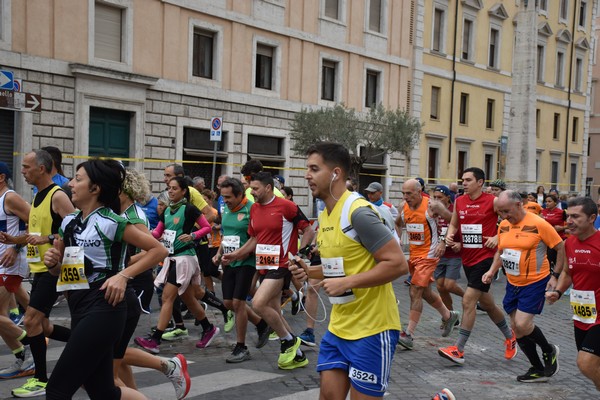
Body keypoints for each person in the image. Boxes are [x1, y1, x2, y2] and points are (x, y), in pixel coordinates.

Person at [41, 159, 167, 399]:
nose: (70, 184)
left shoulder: (112, 222)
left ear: (95, 188)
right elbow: (63, 272)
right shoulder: (69, 223)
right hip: (78, 304)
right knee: (102, 391)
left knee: (57, 390)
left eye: (78, 179)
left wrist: (122, 276)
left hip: (105, 308)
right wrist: (54, 264)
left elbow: (158, 250)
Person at [289, 141, 407, 399]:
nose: (307, 175)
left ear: (336, 173)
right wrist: (309, 271)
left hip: (372, 330)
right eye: (307, 168)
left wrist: (346, 283)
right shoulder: (326, 215)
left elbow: (398, 264)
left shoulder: (358, 212)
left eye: (314, 168)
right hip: (338, 328)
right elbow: (340, 266)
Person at [223, 172, 314, 370]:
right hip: (264, 265)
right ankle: (298, 355)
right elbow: (254, 239)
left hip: (282, 264)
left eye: (255, 189)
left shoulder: (286, 206)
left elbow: (308, 229)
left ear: (267, 188)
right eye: (250, 188)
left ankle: (288, 341)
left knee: (258, 303)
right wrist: (236, 255)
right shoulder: (254, 209)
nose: (252, 192)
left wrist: (300, 253)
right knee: (274, 312)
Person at [116, 169, 190, 400]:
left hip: (135, 282)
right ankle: (135, 394)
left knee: (111, 352)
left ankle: (167, 365)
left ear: (124, 190)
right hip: (128, 280)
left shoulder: (134, 216)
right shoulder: (123, 212)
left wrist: (124, 263)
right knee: (115, 353)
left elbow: (153, 249)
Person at [9, 150, 75, 398]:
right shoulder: (37, 197)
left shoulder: (57, 196)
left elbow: (76, 229)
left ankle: (40, 379)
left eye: (27, 167)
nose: (23, 171)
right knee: (44, 327)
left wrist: (47, 238)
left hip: (54, 269)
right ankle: (92, 346)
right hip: (39, 270)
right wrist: (15, 240)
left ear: (42, 169)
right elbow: (35, 234)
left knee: (31, 321)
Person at [438, 167, 517, 365]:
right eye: (462, 180)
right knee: (488, 304)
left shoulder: (493, 202)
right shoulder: (460, 201)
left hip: (486, 258)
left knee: (468, 301)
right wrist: (450, 235)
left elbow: (513, 222)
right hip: (467, 258)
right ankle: (510, 337)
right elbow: (455, 224)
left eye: (468, 180)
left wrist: (497, 236)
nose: (464, 183)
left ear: (480, 182)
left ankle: (459, 349)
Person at [482, 190, 562, 382]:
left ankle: (548, 349)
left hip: (535, 282)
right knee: (516, 329)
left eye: (506, 211)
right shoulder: (503, 225)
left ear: (519, 204)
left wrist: (556, 276)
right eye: (500, 212)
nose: (503, 216)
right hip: (513, 282)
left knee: (522, 324)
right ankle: (537, 368)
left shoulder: (539, 224)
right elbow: (502, 251)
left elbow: (561, 248)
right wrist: (492, 271)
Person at [134, 176, 221, 353]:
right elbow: (158, 233)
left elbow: (206, 227)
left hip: (185, 259)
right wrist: (140, 234)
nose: (171, 191)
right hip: (171, 258)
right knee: (189, 298)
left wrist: (193, 236)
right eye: (169, 189)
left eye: (174, 188)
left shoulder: (189, 209)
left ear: (183, 191)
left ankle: (155, 340)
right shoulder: (166, 211)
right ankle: (208, 328)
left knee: (167, 297)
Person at [396, 179, 460, 350]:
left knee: (414, 290)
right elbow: (397, 223)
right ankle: (449, 316)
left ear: (419, 191)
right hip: (415, 256)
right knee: (425, 293)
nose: (405, 197)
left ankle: (408, 334)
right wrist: (398, 242)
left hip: (429, 255)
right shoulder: (404, 207)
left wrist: (443, 241)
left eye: (409, 193)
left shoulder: (432, 206)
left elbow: (453, 222)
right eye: (403, 193)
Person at [212, 177, 271, 362]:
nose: (225, 200)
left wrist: (244, 253)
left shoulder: (252, 209)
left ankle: (241, 347)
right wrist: (219, 253)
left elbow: (260, 236)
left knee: (238, 303)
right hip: (229, 261)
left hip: (247, 262)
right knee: (229, 303)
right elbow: (226, 235)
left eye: (229, 197)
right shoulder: (226, 209)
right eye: (223, 197)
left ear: (240, 195)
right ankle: (261, 324)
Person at [546, 196, 600, 391]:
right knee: (591, 365)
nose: (569, 221)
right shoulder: (570, 243)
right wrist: (558, 292)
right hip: (582, 315)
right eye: (568, 216)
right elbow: (568, 272)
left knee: (585, 363)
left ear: (592, 217)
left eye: (576, 217)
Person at [0, 162, 33, 379]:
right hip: (1, 262)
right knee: (2, 317)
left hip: (11, 263)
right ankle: (23, 359)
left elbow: (36, 223)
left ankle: (33, 344)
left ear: (1, 177)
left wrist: (15, 247)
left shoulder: (10, 197)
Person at [429, 185, 464, 314]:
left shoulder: (454, 210)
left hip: (453, 253)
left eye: (440, 197)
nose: (437, 200)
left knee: (449, 285)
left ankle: (471, 298)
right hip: (439, 254)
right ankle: (450, 316)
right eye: (435, 197)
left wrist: (460, 243)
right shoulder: (433, 211)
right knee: (440, 287)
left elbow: (462, 227)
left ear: (448, 198)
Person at [541, 194, 567, 271]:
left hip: (558, 240)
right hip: (546, 240)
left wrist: (562, 227)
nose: (547, 203)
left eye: (549, 201)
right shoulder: (542, 212)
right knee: (547, 261)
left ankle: (559, 277)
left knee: (557, 261)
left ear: (555, 203)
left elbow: (571, 224)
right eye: (546, 202)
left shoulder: (561, 212)